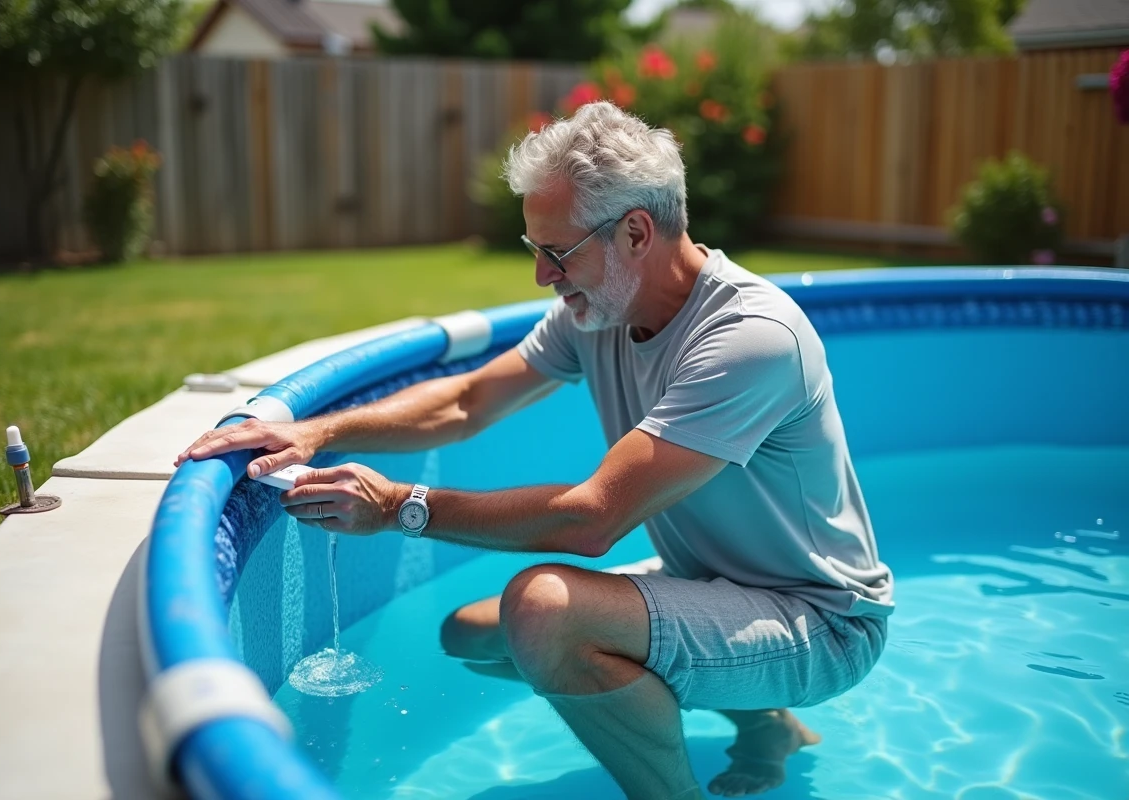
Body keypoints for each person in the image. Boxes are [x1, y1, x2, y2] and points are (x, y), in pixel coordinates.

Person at [176, 101, 893, 799]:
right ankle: (766, 721)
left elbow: (590, 520)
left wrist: (400, 507)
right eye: (535, 250)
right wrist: (317, 431)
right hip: (712, 583)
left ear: (637, 233)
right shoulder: (599, 308)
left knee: (545, 612)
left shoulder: (750, 340)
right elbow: (467, 399)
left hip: (820, 620)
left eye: (557, 252)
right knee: (473, 636)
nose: (542, 276)